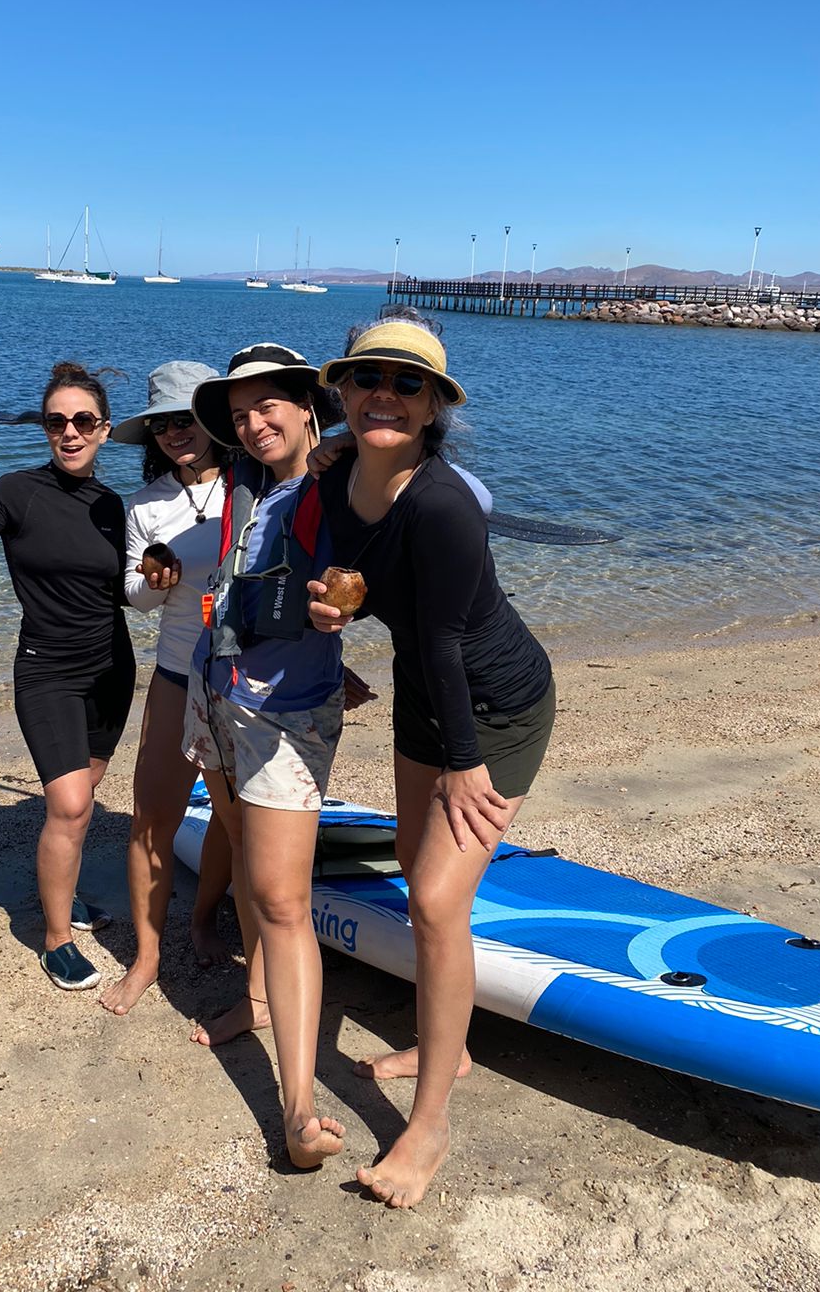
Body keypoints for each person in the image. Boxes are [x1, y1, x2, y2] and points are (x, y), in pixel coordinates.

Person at [309, 312, 555, 1208]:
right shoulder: (336, 482)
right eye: (367, 377)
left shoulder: (444, 504)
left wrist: (464, 762)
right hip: (430, 696)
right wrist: (332, 618)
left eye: (407, 382)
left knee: (436, 898)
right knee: (422, 879)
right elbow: (362, 585)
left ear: (434, 405)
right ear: (341, 391)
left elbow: (447, 637)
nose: (385, 393)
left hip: (497, 705)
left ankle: (433, 1119)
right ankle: (447, 1043)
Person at [183, 343, 348, 1170]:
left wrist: (342, 612)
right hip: (215, 694)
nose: (252, 424)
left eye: (267, 405)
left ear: (307, 404)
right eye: (240, 414)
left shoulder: (330, 483)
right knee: (246, 857)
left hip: (284, 720)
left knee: (284, 903)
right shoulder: (246, 490)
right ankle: (254, 996)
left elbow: (396, 528)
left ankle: (298, 1108)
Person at [0, 360, 135, 993]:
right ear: (45, 428)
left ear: (104, 430)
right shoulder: (14, 492)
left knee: (80, 807)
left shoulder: (113, 504)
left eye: (83, 421)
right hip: (47, 672)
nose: (70, 433)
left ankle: (63, 898)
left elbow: (127, 592)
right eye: (57, 422)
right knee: (70, 805)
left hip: (113, 671)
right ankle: (56, 939)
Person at [99, 361, 236, 1016]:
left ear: (213, 419)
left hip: (242, 682)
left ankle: (204, 918)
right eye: (162, 423)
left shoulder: (253, 487)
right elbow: (130, 593)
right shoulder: (147, 503)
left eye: (186, 418)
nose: (175, 432)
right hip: (177, 676)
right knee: (153, 818)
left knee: (234, 823)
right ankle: (147, 958)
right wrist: (151, 586)